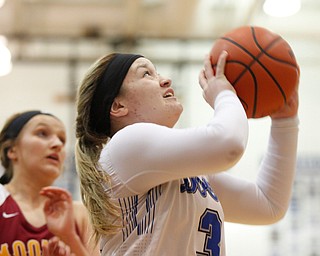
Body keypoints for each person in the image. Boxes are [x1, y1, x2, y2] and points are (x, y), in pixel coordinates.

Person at [74, 51, 299, 255]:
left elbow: (269, 205)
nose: (165, 79)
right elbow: (228, 144)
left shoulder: (187, 173)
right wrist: (224, 94)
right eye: (146, 74)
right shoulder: (125, 146)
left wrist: (285, 121)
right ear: (117, 106)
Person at [0, 110, 99, 256]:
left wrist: (70, 239)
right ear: (12, 150)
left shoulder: (79, 214)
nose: (57, 144)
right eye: (42, 133)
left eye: (62, 140)